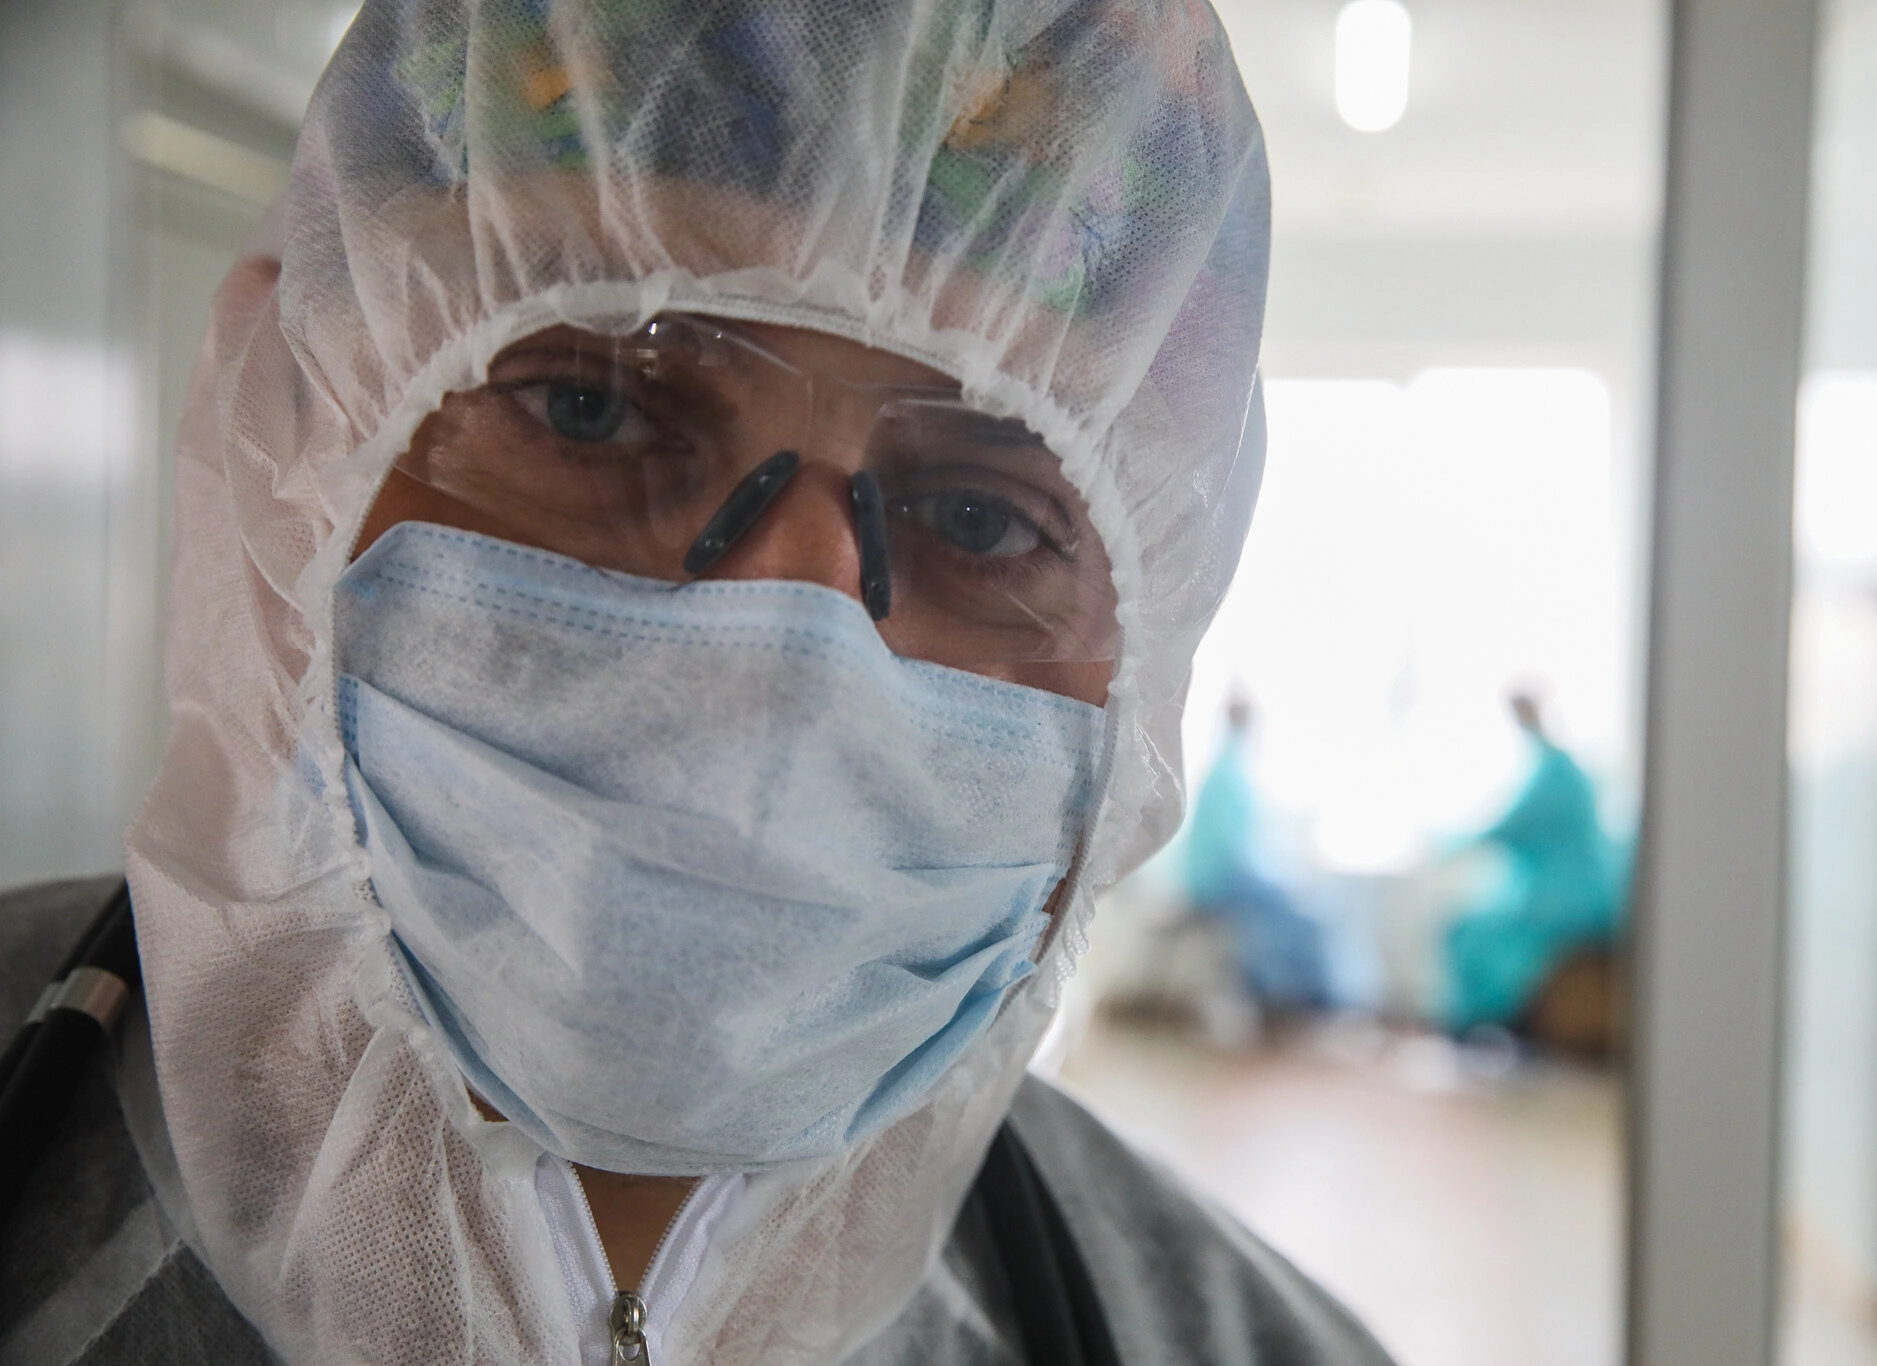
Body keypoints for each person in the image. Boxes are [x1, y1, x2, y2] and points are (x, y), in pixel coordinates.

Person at [0, 3, 1398, 1363]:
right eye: (589, 407)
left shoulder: (1223, 1333)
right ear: (288, 436)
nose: (781, 648)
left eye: (980, 520)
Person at [1440, 690, 1624, 1037]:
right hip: (1560, 893)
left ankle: (1490, 1027)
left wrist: (1449, 845)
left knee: (1472, 936)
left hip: (1567, 900)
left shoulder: (1557, 774)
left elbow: (1512, 824)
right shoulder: (1553, 769)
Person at [1183, 695, 1348, 1013]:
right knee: (1302, 920)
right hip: (1219, 880)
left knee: (1290, 914)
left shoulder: (1227, 769)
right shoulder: (1230, 774)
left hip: (1221, 877)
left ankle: (1293, 1001)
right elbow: (1235, 853)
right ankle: (1310, 1006)